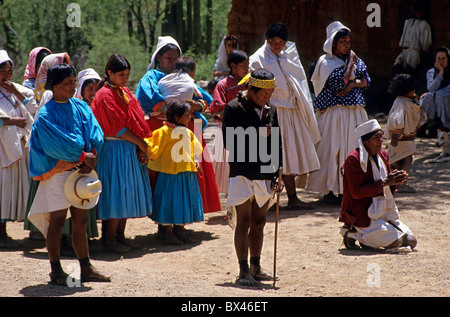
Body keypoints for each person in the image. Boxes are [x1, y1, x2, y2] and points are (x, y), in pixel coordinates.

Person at [27, 63, 110, 285]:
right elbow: (58, 144)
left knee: (80, 222)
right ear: (54, 86)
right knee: (56, 223)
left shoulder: (81, 107)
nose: (72, 87)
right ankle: (55, 271)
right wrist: (84, 156)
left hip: (81, 171)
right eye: (67, 83)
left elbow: (95, 133)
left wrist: (91, 153)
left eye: (73, 82)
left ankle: (86, 267)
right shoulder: (46, 115)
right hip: (59, 173)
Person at [250, 22, 320, 210]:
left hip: (291, 112)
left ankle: (292, 197)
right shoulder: (257, 58)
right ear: (267, 40)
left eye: (281, 42)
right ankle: (267, 199)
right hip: (272, 112)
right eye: (273, 42)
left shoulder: (290, 55)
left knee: (289, 154)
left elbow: (299, 82)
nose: (277, 45)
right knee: (270, 155)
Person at [222, 69, 282, 286]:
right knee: (244, 222)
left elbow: (276, 141)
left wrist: (278, 172)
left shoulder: (271, 110)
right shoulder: (233, 108)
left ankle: (256, 267)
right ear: (250, 89)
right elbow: (230, 143)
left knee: (260, 221)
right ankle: (243, 270)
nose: (267, 97)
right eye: (263, 94)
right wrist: (256, 132)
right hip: (242, 171)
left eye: (270, 93)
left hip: (265, 172)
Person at [91, 54, 153, 253]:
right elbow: (115, 128)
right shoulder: (104, 95)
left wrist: (138, 146)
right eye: (120, 74)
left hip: (128, 149)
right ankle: (108, 240)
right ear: (109, 73)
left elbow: (135, 121)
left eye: (127, 74)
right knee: (116, 193)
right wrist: (141, 144)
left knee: (126, 192)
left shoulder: (124, 92)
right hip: (114, 150)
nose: (125, 78)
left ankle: (120, 237)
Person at [308, 21, 370, 204]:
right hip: (334, 115)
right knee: (332, 150)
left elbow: (366, 80)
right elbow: (338, 84)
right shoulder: (325, 63)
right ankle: (328, 191)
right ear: (333, 43)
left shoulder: (357, 60)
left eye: (349, 41)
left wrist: (353, 83)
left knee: (351, 149)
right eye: (343, 41)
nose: (347, 45)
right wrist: (350, 65)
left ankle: (347, 191)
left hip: (354, 114)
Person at [339, 119, 417, 252]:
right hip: (362, 213)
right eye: (376, 138)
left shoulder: (383, 155)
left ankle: (368, 240)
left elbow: (387, 188)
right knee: (397, 242)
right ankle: (353, 233)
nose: (381, 140)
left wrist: (395, 181)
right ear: (365, 141)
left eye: (381, 137)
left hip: (380, 211)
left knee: (411, 241)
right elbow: (356, 192)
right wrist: (386, 182)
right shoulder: (353, 160)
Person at [158, 56, 222, 215]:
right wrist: (199, 105)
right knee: (193, 168)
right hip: (189, 126)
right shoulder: (190, 83)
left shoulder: (163, 81)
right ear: (192, 71)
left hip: (167, 126)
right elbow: (207, 101)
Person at [144, 101, 204, 244]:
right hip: (169, 174)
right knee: (169, 201)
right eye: (186, 115)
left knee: (183, 201)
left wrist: (195, 160)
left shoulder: (188, 132)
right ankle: (168, 233)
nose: (190, 117)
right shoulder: (163, 132)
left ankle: (180, 231)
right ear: (176, 117)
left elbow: (194, 150)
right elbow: (153, 150)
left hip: (186, 173)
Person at [0, 50, 35, 248]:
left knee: (9, 189)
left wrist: (16, 93)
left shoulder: (14, 91)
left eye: (9, 70)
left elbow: (33, 110)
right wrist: (12, 121)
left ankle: (4, 231)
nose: (7, 74)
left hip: (15, 148)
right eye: (2, 70)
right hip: (1, 151)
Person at [210, 49, 249, 194]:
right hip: (229, 130)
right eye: (243, 65)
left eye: (247, 65)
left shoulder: (250, 83)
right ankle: (233, 202)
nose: (246, 68)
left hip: (249, 129)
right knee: (230, 166)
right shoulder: (223, 85)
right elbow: (217, 109)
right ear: (233, 65)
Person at [385, 74, 426, 193]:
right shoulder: (401, 103)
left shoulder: (407, 101)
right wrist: (395, 137)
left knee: (398, 162)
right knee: (406, 161)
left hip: (405, 139)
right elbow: (396, 121)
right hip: (401, 139)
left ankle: (397, 183)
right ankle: (402, 184)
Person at [136, 36, 182, 132]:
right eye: (169, 58)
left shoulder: (182, 77)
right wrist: (166, 108)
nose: (173, 62)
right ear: (159, 57)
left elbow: (199, 96)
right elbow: (149, 94)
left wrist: (198, 105)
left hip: (183, 126)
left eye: (176, 59)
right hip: (159, 126)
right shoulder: (151, 77)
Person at [393, 4, 432, 75]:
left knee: (409, 70)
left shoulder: (424, 24)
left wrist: (423, 49)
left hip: (414, 51)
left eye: (421, 12)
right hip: (404, 51)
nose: (419, 14)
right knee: (397, 67)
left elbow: (426, 42)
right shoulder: (408, 22)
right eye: (417, 12)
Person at [420, 46, 450, 135]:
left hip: (446, 100)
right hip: (435, 103)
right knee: (428, 97)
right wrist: (440, 74)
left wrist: (437, 93)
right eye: (439, 59)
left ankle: (444, 123)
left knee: (440, 95)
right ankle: (430, 121)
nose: (441, 61)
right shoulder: (431, 72)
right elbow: (431, 88)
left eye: (443, 58)